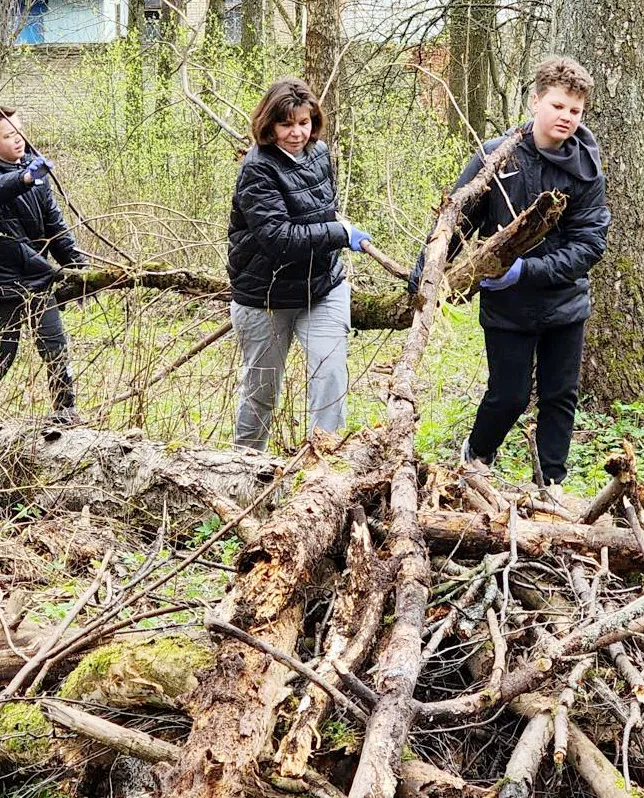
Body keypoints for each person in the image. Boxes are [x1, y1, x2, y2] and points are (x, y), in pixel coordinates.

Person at [413, 57, 610, 500]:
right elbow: (458, 216)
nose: (566, 117)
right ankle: (477, 460)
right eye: (558, 106)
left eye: (575, 111)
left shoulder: (586, 169)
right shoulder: (497, 156)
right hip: (507, 306)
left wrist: (527, 269)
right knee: (509, 394)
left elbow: (589, 244)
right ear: (536, 101)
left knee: (560, 396)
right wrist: (427, 268)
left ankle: (551, 485)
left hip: (564, 303)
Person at [227, 77, 369, 450]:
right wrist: (340, 233)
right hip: (266, 297)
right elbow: (279, 239)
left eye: (303, 123)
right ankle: (243, 472)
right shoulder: (257, 170)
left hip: (322, 288)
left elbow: (322, 210)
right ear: (269, 124)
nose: (296, 133)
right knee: (261, 394)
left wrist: (338, 229)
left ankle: (323, 472)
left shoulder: (320, 154)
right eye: (286, 124)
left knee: (331, 379)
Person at [0, 105, 83, 425]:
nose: (18, 140)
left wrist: (78, 266)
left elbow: (54, 226)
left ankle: (65, 411)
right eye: (9, 136)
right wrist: (26, 177)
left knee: (55, 346)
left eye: (20, 133)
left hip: (36, 277)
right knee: (2, 354)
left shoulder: (35, 171)